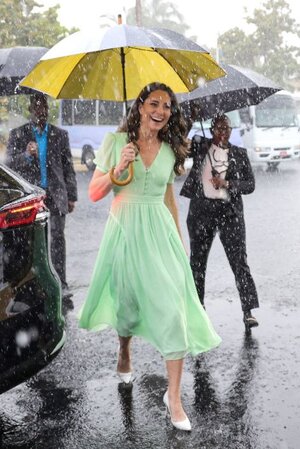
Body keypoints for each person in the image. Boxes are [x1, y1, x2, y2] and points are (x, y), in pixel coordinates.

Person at [78, 82, 221, 432]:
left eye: (167, 106)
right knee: (127, 307)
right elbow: (95, 193)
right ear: (141, 106)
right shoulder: (116, 143)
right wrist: (117, 168)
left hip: (160, 234)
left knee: (173, 311)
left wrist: (179, 239)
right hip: (125, 231)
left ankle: (173, 397)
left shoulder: (171, 151)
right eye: (154, 103)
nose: (161, 111)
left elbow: (168, 197)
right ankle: (124, 351)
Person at [180, 113, 259, 331]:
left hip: (229, 215)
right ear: (212, 128)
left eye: (227, 129)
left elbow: (250, 184)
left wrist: (228, 182)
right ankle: (197, 308)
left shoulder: (239, 154)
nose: (223, 133)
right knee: (197, 263)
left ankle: (248, 311)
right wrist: (190, 120)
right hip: (201, 214)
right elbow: (179, 145)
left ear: (231, 131)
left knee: (239, 262)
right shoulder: (199, 145)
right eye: (219, 129)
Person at [6, 93, 78, 304]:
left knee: (57, 239)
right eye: (37, 107)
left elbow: (68, 167)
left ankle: (60, 283)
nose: (41, 111)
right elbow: (9, 165)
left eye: (44, 107)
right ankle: (32, 285)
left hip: (55, 195)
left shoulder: (59, 134)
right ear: (30, 110)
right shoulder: (19, 134)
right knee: (31, 242)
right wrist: (27, 155)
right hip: (30, 198)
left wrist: (71, 195)